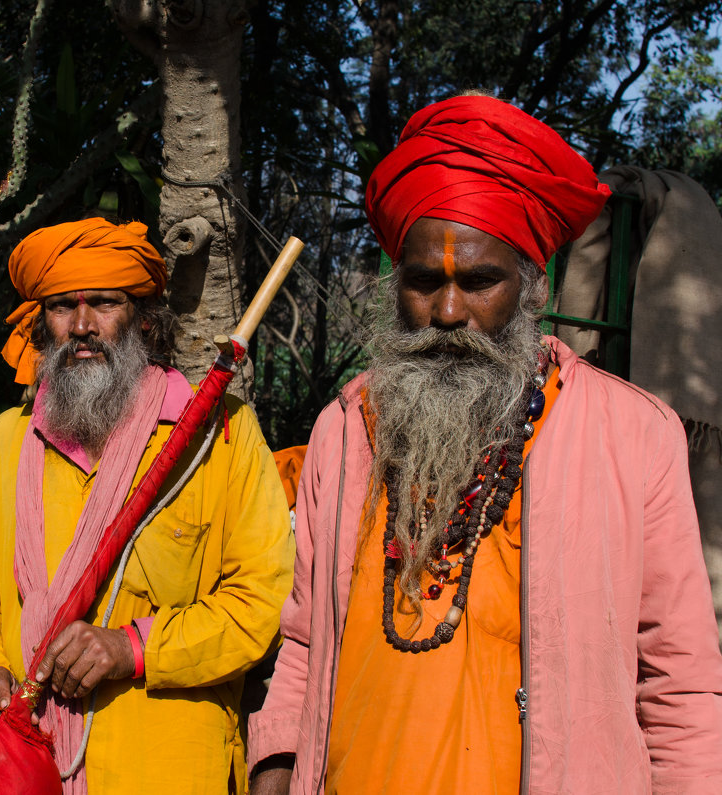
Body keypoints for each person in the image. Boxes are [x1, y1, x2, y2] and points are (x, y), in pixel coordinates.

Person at [247, 95, 722, 795]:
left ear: (531, 286)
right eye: (423, 282)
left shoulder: (632, 434)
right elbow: (306, 642)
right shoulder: (346, 428)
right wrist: (274, 767)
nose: (446, 312)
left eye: (478, 282)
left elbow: (678, 687)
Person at [0, 218, 294, 793]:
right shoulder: (4, 443)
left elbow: (264, 599)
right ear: (39, 325)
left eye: (104, 303)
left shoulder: (217, 436)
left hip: (171, 770)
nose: (82, 326)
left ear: (144, 318)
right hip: (19, 766)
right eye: (61, 307)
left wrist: (133, 646)